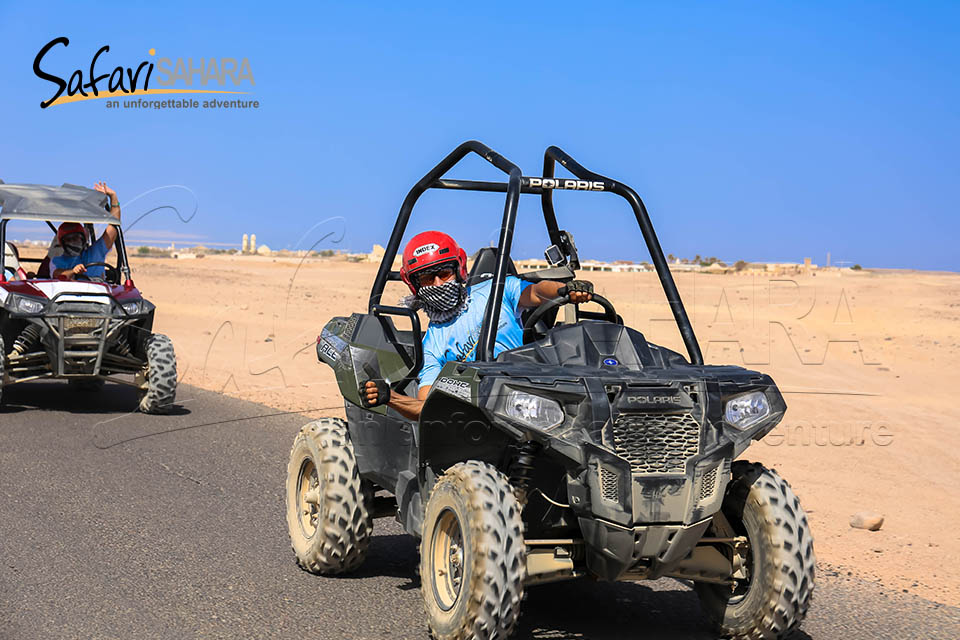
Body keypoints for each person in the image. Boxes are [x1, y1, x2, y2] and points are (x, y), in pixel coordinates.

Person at [359, 231, 593, 420]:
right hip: (484, 412)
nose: (439, 284)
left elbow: (538, 292)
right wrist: (390, 397)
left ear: (459, 270)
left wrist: (564, 290)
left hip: (530, 390)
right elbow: (426, 407)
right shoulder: (431, 345)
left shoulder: (496, 290)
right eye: (428, 279)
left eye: (444, 273)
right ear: (415, 285)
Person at [52, 181, 121, 280]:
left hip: (99, 293)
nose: (73, 242)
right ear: (62, 242)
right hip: (68, 294)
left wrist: (113, 197)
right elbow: (57, 274)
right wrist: (73, 271)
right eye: (69, 239)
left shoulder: (96, 251)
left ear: (83, 239)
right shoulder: (57, 261)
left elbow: (113, 227)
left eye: (76, 238)